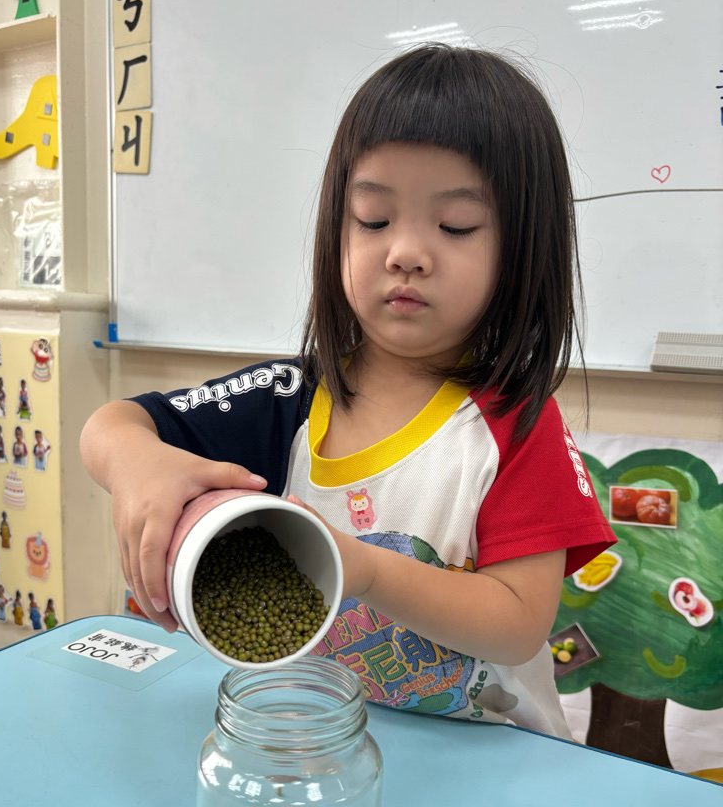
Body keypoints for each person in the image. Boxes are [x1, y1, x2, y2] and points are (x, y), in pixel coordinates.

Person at [80, 44, 616, 737]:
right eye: (373, 219)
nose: (405, 252)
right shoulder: (289, 398)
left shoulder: (516, 423)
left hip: (491, 756)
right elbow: (111, 426)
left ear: (522, 248)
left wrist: (362, 570)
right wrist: (138, 465)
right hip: (323, 741)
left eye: (455, 226)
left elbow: (517, 625)